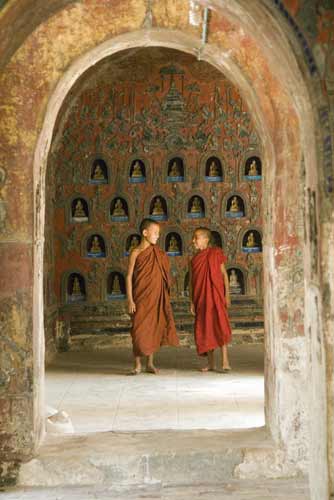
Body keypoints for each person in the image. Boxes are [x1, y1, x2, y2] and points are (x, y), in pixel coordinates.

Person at [126, 218, 179, 375]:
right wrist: (130, 299)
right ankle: (137, 365)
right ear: (145, 233)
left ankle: (150, 363)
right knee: (138, 330)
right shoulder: (135, 253)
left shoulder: (158, 254)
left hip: (156, 297)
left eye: (158, 233)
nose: (157, 236)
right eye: (155, 233)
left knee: (153, 328)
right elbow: (128, 276)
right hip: (140, 297)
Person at [190, 227, 232, 373]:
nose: (193, 240)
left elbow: (224, 275)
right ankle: (211, 363)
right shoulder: (195, 259)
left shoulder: (216, 253)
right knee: (205, 327)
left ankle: (225, 361)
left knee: (220, 325)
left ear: (206, 239)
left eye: (196, 237)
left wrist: (227, 295)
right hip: (201, 298)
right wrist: (191, 301)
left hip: (216, 296)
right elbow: (192, 282)